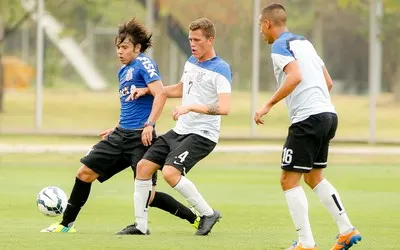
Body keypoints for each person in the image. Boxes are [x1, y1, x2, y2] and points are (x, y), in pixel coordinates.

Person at [41, 17, 199, 233]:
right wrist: (116, 127)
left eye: (124, 47)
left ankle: (195, 218)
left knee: (149, 196)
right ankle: (66, 225)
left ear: (137, 47)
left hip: (141, 139)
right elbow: (129, 107)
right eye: (118, 47)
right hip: (120, 136)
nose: (120, 51)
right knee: (84, 173)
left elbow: (160, 93)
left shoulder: (144, 63)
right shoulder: (122, 71)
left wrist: (150, 125)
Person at [254, 4, 362, 250]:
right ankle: (346, 229)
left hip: (308, 119)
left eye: (261, 26)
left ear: (268, 24)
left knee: (288, 181)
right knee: (314, 177)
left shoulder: (281, 46)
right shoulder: (306, 43)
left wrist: (268, 104)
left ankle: (305, 243)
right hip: (328, 115)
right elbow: (328, 82)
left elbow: (295, 77)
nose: (261, 32)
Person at [116, 17, 232, 236]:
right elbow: (180, 89)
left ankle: (208, 213)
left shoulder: (221, 69)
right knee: (143, 167)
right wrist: (147, 90)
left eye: (197, 40)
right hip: (180, 131)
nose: (192, 44)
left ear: (210, 40)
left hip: (202, 134)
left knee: (170, 172)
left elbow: (224, 107)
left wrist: (190, 108)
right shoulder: (191, 61)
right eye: (190, 39)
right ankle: (140, 226)